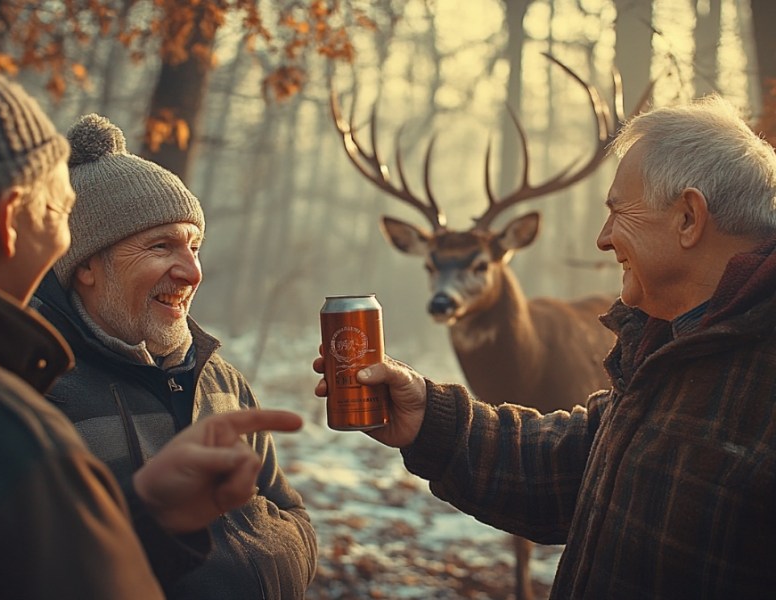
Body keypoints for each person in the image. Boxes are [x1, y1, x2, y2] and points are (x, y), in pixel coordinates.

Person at [314, 94, 776, 598]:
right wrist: (429, 418)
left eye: (619, 212)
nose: (602, 238)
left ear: (688, 217)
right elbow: (582, 465)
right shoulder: (667, 344)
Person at [0, 63, 304, 600]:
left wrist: (267, 557)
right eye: (160, 246)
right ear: (84, 263)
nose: (192, 271)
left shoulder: (221, 380)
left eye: (194, 246)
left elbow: (290, 512)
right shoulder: (31, 395)